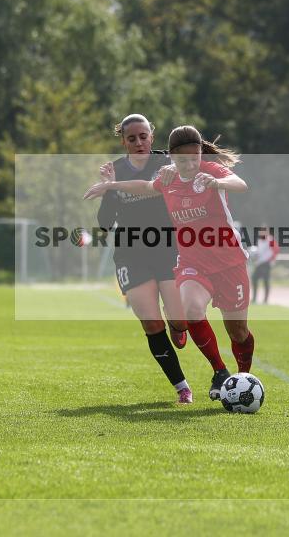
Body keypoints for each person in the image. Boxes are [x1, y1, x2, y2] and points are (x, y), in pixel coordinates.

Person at [85, 125, 253, 401]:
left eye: (194, 156)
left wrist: (218, 183)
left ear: (201, 152)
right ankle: (220, 372)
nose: (189, 163)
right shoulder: (167, 177)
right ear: (172, 158)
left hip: (228, 260)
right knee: (191, 309)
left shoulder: (211, 170)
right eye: (182, 158)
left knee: (238, 331)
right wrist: (110, 186)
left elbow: (241, 184)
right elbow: (145, 187)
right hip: (191, 261)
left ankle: (244, 376)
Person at [94, 114, 193, 404]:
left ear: (152, 135)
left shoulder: (167, 164)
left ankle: (179, 326)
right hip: (131, 254)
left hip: (168, 249)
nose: (138, 142)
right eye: (131, 138)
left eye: (143, 136)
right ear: (123, 141)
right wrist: (109, 189)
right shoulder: (115, 170)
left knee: (180, 320)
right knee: (151, 323)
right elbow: (103, 223)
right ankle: (182, 387)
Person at [250, 226, 279, 304]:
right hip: (259, 263)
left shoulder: (270, 240)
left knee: (265, 281)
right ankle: (254, 298)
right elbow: (259, 252)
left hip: (266, 263)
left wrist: (271, 260)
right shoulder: (260, 240)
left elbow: (276, 250)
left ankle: (265, 300)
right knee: (254, 278)